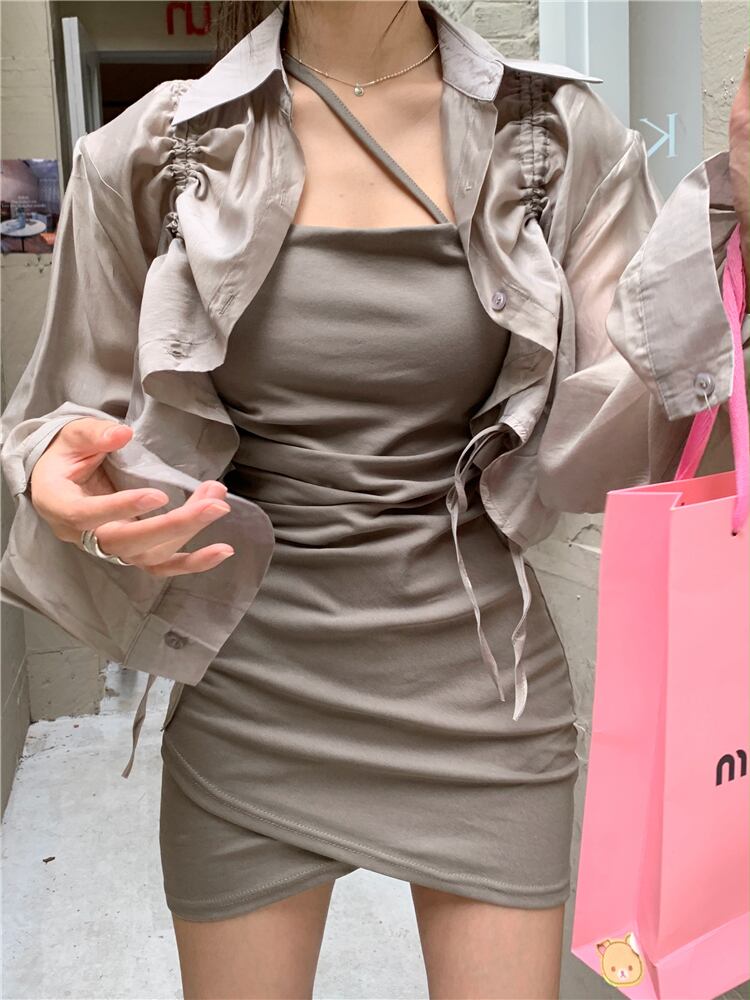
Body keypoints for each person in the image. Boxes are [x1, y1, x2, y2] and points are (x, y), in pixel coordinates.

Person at [1, 1, 748, 997]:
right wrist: (65, 485)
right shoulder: (149, 154)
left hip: (485, 700)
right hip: (253, 701)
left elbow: (612, 450)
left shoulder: (560, 141)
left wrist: (734, 227)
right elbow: (63, 413)